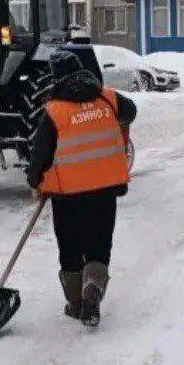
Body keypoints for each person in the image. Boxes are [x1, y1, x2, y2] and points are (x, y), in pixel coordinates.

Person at [27, 50, 137, 328]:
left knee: (70, 247)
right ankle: (93, 290)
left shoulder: (54, 111)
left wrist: (35, 182)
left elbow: (40, 154)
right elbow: (131, 112)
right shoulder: (109, 98)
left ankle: (76, 304)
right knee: (99, 245)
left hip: (67, 196)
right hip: (105, 190)